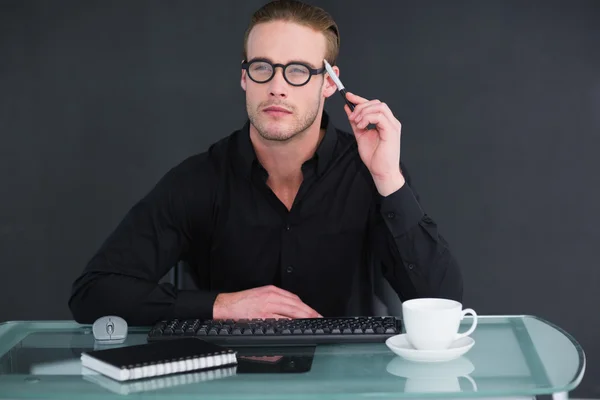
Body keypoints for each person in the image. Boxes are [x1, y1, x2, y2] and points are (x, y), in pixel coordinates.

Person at [69, 0, 463, 325]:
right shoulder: (198, 180)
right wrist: (221, 306)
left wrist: (389, 179)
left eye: (296, 71)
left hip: (349, 383)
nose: (276, 86)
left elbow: (442, 302)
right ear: (244, 78)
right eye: (262, 68)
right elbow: (94, 293)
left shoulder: (371, 173)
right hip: (227, 383)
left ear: (328, 82)